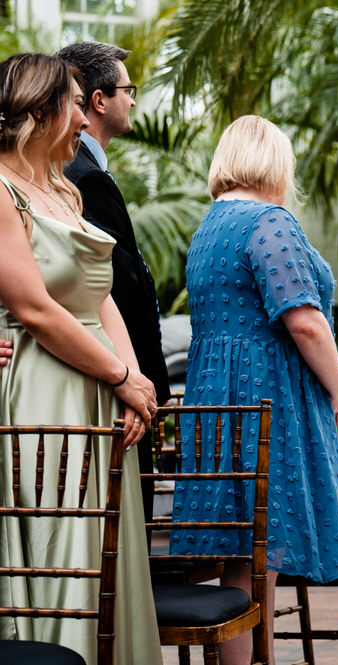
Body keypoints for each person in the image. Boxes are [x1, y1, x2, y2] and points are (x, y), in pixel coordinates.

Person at [170, 115, 338, 664]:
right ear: (274, 160)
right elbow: (303, 321)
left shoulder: (211, 225)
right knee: (259, 545)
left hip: (219, 395)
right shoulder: (268, 221)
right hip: (265, 395)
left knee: (249, 549)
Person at [0, 52, 161, 664]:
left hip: (100, 389)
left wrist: (134, 382)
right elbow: (36, 310)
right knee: (59, 544)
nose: (82, 117)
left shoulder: (65, 190)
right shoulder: (1, 190)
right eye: (72, 102)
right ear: (40, 111)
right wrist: (119, 373)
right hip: (45, 389)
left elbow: (103, 298)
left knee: (105, 550)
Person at [57, 41, 170, 536]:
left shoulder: (84, 170)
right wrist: (134, 378)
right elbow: (115, 287)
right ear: (98, 99)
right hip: (113, 371)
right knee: (123, 523)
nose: (133, 100)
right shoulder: (80, 175)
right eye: (128, 90)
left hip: (119, 370)